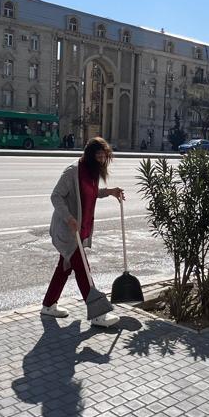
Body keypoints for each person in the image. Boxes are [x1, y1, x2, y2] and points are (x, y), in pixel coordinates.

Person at [42, 137, 123, 326]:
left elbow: (90, 193)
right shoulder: (73, 171)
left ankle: (48, 305)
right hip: (67, 231)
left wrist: (109, 191)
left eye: (104, 157)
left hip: (80, 231)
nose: (102, 160)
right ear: (90, 155)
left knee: (64, 268)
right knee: (84, 270)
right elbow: (56, 196)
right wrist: (69, 218)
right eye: (99, 156)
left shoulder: (91, 171)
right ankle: (98, 314)